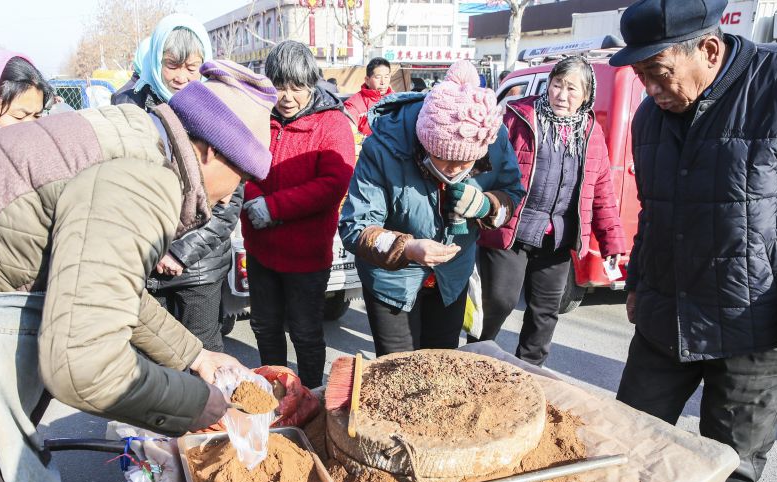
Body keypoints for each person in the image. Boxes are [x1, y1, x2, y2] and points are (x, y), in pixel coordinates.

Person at [0, 61, 277, 482]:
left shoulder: (131, 133)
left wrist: (195, 355)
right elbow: (84, 367)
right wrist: (203, 406)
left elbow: (106, 286)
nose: (227, 200)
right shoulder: (143, 180)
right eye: (237, 179)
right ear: (210, 150)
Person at [607, 1, 777, 482]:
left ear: (708, 48)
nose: (650, 90)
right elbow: (653, 211)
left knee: (731, 459)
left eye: (659, 72)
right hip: (664, 312)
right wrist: (637, 281)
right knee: (630, 439)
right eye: (641, 76)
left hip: (760, 318)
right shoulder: (651, 118)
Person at [340, 61, 524, 357]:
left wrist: (488, 205)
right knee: (397, 375)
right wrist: (408, 248)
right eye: (443, 160)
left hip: (451, 279)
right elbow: (356, 228)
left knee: (441, 369)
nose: (454, 171)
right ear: (424, 143)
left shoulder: (490, 135)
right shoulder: (384, 147)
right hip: (391, 282)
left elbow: (512, 195)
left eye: (466, 165)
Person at [474, 56, 625, 365]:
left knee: (545, 312)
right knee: (499, 302)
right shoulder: (519, 117)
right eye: (557, 85)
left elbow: (602, 192)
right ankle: (476, 356)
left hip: (556, 237)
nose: (561, 95)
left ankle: (528, 373)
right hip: (510, 229)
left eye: (572, 88)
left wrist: (612, 243)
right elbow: (484, 167)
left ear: (586, 95)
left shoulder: (590, 132)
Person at [118, 32, 242, 355]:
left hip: (199, 268)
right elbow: (121, 192)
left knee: (205, 358)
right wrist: (154, 248)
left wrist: (180, 252)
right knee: (155, 361)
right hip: (147, 264)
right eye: (171, 65)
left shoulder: (219, 113)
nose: (182, 76)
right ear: (155, 61)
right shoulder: (129, 108)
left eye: (192, 66)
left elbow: (230, 203)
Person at [242, 40, 355, 389]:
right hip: (261, 250)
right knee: (265, 327)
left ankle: (309, 397)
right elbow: (242, 165)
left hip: (306, 255)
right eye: (279, 86)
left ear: (312, 83)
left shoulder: (331, 123)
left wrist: (273, 207)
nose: (287, 96)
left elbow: (333, 183)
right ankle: (275, 394)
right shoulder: (259, 117)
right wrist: (254, 197)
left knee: (306, 333)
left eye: (297, 87)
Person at [111, 13, 211, 110]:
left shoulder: (214, 107)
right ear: (157, 62)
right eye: (172, 65)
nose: (181, 78)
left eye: (191, 68)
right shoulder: (129, 106)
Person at [344, 56, 394, 136]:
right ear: (367, 80)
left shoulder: (397, 99)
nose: (383, 82)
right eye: (378, 77)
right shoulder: (353, 104)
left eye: (386, 77)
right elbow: (348, 130)